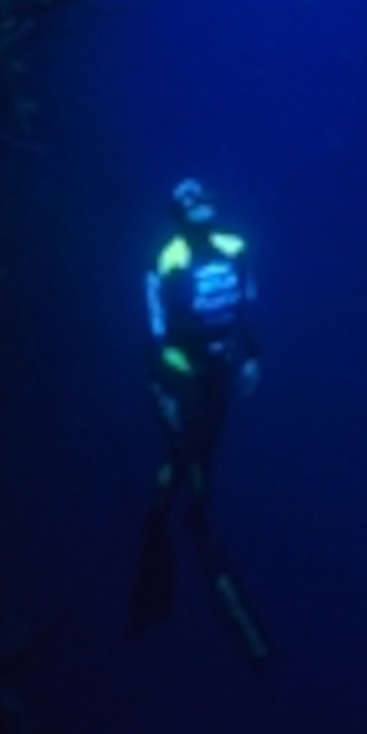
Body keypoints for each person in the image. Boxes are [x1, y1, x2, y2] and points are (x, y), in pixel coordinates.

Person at [129, 179, 271, 665]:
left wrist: (253, 356)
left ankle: (193, 506)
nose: (197, 207)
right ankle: (169, 514)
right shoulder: (165, 258)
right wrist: (157, 386)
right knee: (187, 443)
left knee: (205, 448)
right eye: (186, 203)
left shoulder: (236, 246)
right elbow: (154, 326)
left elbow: (245, 307)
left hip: (220, 368)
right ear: (176, 213)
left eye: (202, 199)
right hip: (179, 367)